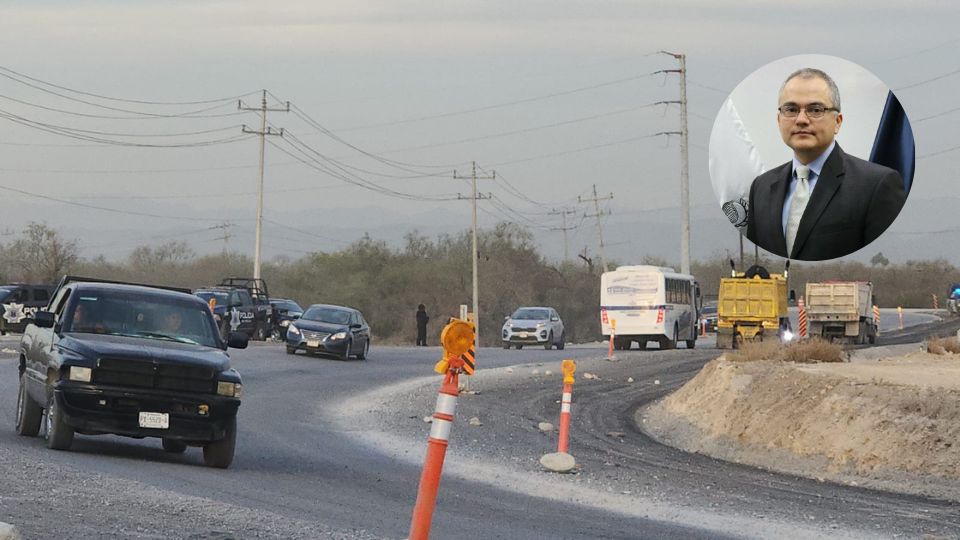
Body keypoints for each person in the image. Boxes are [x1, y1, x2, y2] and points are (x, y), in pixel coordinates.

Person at [745, 68, 907, 261]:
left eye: (815, 110)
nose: (802, 120)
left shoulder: (877, 184)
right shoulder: (761, 187)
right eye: (791, 109)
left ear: (838, 121)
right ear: (779, 120)